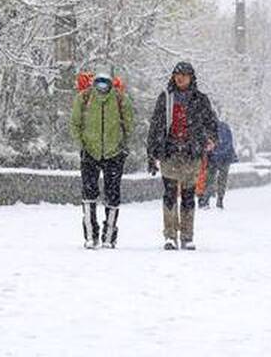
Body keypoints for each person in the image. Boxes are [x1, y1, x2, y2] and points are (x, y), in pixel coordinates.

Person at [146, 61, 219, 250]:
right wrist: (152, 153)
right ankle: (170, 235)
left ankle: (187, 236)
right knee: (169, 194)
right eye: (177, 75)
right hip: (169, 153)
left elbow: (211, 123)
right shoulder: (166, 98)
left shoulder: (200, 100)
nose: (180, 78)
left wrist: (210, 139)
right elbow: (156, 125)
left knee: (188, 195)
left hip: (191, 154)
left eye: (184, 75)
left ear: (191, 77)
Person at [70, 72, 135, 249]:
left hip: (114, 153)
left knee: (112, 194)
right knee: (89, 193)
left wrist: (122, 146)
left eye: (105, 84)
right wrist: (82, 144)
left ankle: (109, 236)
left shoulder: (121, 100)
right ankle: (91, 235)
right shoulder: (84, 98)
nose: (102, 87)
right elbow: (75, 123)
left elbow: (129, 124)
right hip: (90, 152)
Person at [198, 119, 238, 209]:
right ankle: (218, 200)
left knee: (210, 179)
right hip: (224, 158)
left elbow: (210, 144)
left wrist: (213, 150)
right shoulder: (224, 127)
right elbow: (228, 142)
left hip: (217, 158)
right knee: (221, 180)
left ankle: (206, 200)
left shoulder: (210, 128)